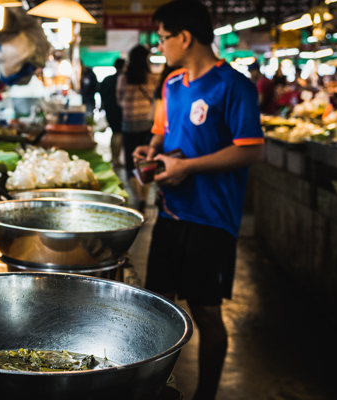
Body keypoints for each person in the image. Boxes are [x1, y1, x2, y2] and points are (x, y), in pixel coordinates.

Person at [134, 1, 264, 399]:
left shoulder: (235, 86)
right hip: (172, 213)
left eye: (162, 39)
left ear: (185, 37)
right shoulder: (172, 83)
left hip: (213, 219)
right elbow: (164, 133)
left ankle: (205, 395)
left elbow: (249, 150)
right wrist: (150, 152)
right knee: (158, 306)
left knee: (206, 312)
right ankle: (156, 389)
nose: (160, 47)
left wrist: (189, 167)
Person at [117, 45, 157, 181]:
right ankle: (145, 197)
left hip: (129, 124)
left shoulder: (123, 78)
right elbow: (155, 100)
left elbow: (119, 99)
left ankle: (137, 195)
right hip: (147, 124)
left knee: (131, 160)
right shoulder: (152, 78)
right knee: (146, 160)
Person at [98, 58, 125, 166]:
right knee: (118, 133)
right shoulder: (124, 79)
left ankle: (114, 157)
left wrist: (101, 106)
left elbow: (101, 93)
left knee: (114, 133)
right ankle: (116, 159)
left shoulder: (107, 79)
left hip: (109, 108)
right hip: (120, 109)